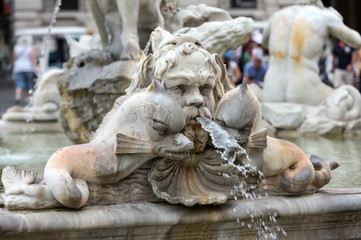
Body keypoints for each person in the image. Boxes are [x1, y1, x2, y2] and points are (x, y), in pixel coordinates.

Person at [262, 0, 361, 105]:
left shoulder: (277, 15)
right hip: (304, 89)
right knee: (350, 100)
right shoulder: (325, 16)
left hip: (271, 89)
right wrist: (336, 19)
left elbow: (264, 42)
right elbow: (356, 41)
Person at [11, 35, 38, 105]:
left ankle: (17, 96)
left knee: (19, 83)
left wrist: (13, 65)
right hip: (28, 68)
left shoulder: (16, 48)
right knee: (29, 83)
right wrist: (36, 68)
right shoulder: (30, 48)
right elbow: (33, 58)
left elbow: (14, 58)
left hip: (18, 68)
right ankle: (28, 98)